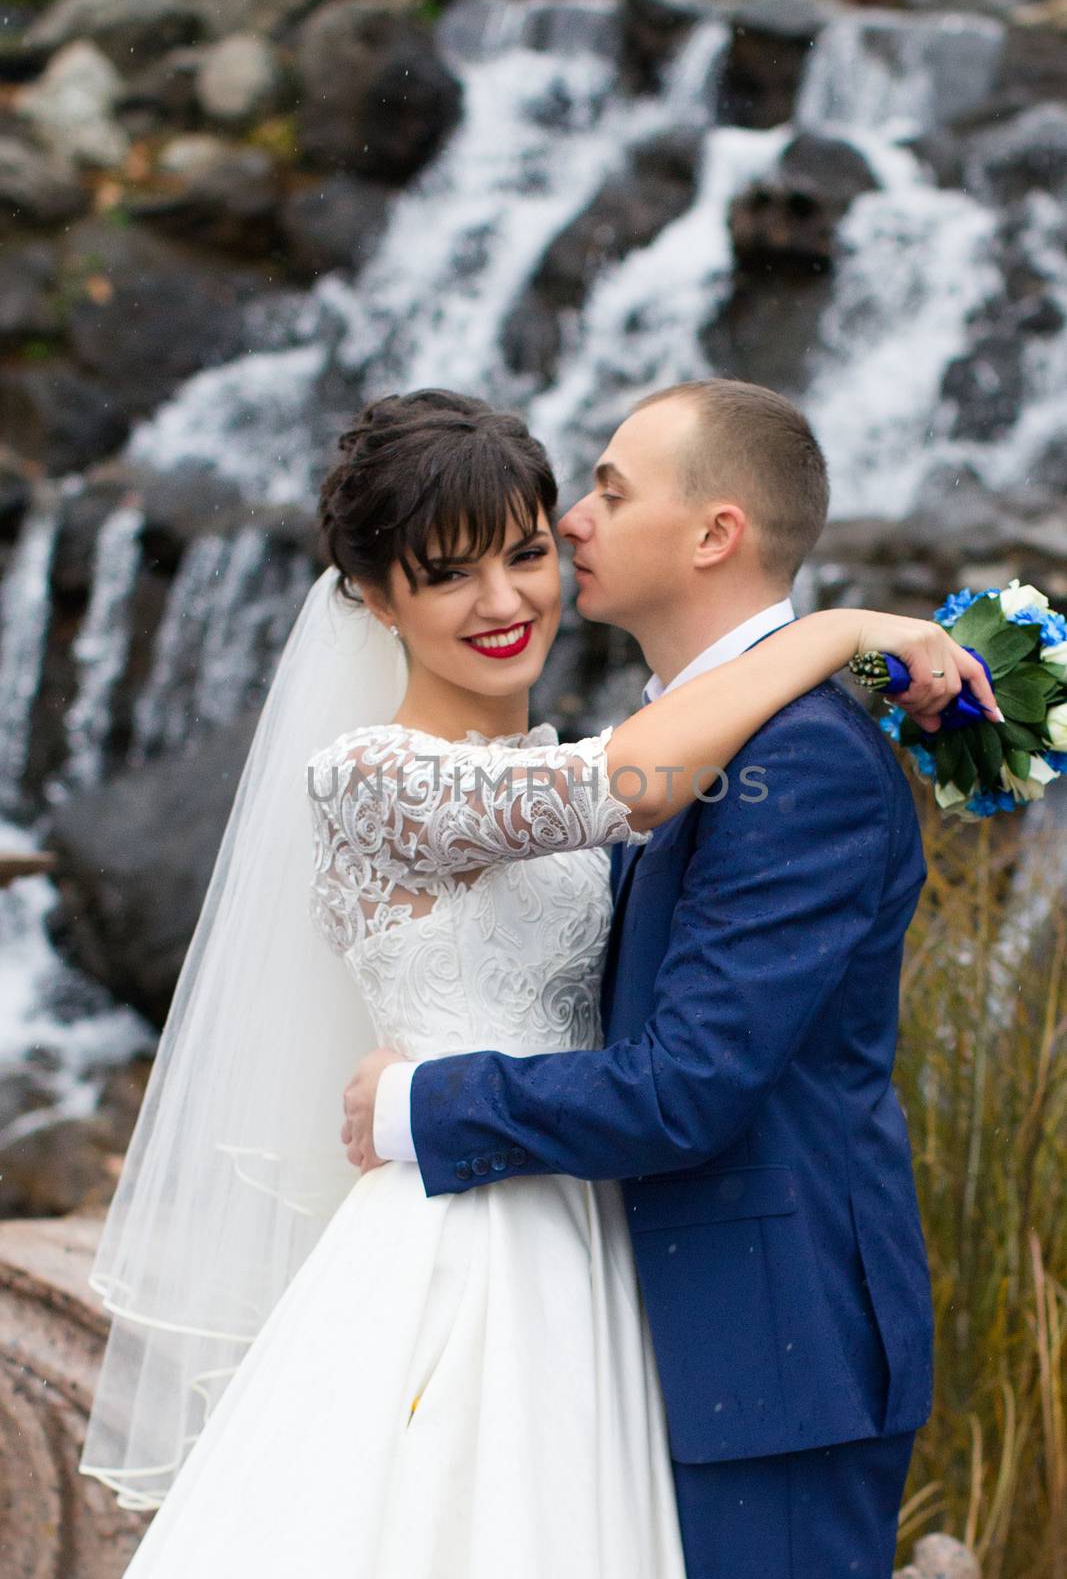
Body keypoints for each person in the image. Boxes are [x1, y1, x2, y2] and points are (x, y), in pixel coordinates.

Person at [80, 386, 998, 1578]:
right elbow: (624, 788)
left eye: (536, 541)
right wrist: (838, 630)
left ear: (713, 531)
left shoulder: (760, 751)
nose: (521, 583)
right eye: (449, 573)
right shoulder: (382, 775)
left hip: (646, 1279)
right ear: (374, 599)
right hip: (470, 1260)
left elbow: (684, 1073)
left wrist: (422, 1101)